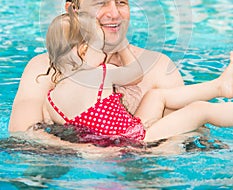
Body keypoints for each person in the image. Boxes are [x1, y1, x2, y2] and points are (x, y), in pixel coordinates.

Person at [9, 0, 185, 135]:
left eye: (121, 2)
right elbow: (23, 136)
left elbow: (188, 139)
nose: (114, 14)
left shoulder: (159, 68)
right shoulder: (42, 69)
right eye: (100, 3)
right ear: (73, 11)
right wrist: (91, 151)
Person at [43, 7, 233, 143]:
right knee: (199, 110)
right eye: (101, 46)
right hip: (138, 141)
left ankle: (221, 86)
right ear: (84, 51)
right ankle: (220, 87)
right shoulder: (103, 73)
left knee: (155, 95)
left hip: (116, 144)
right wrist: (122, 45)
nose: (106, 51)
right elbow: (136, 75)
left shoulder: (50, 101)